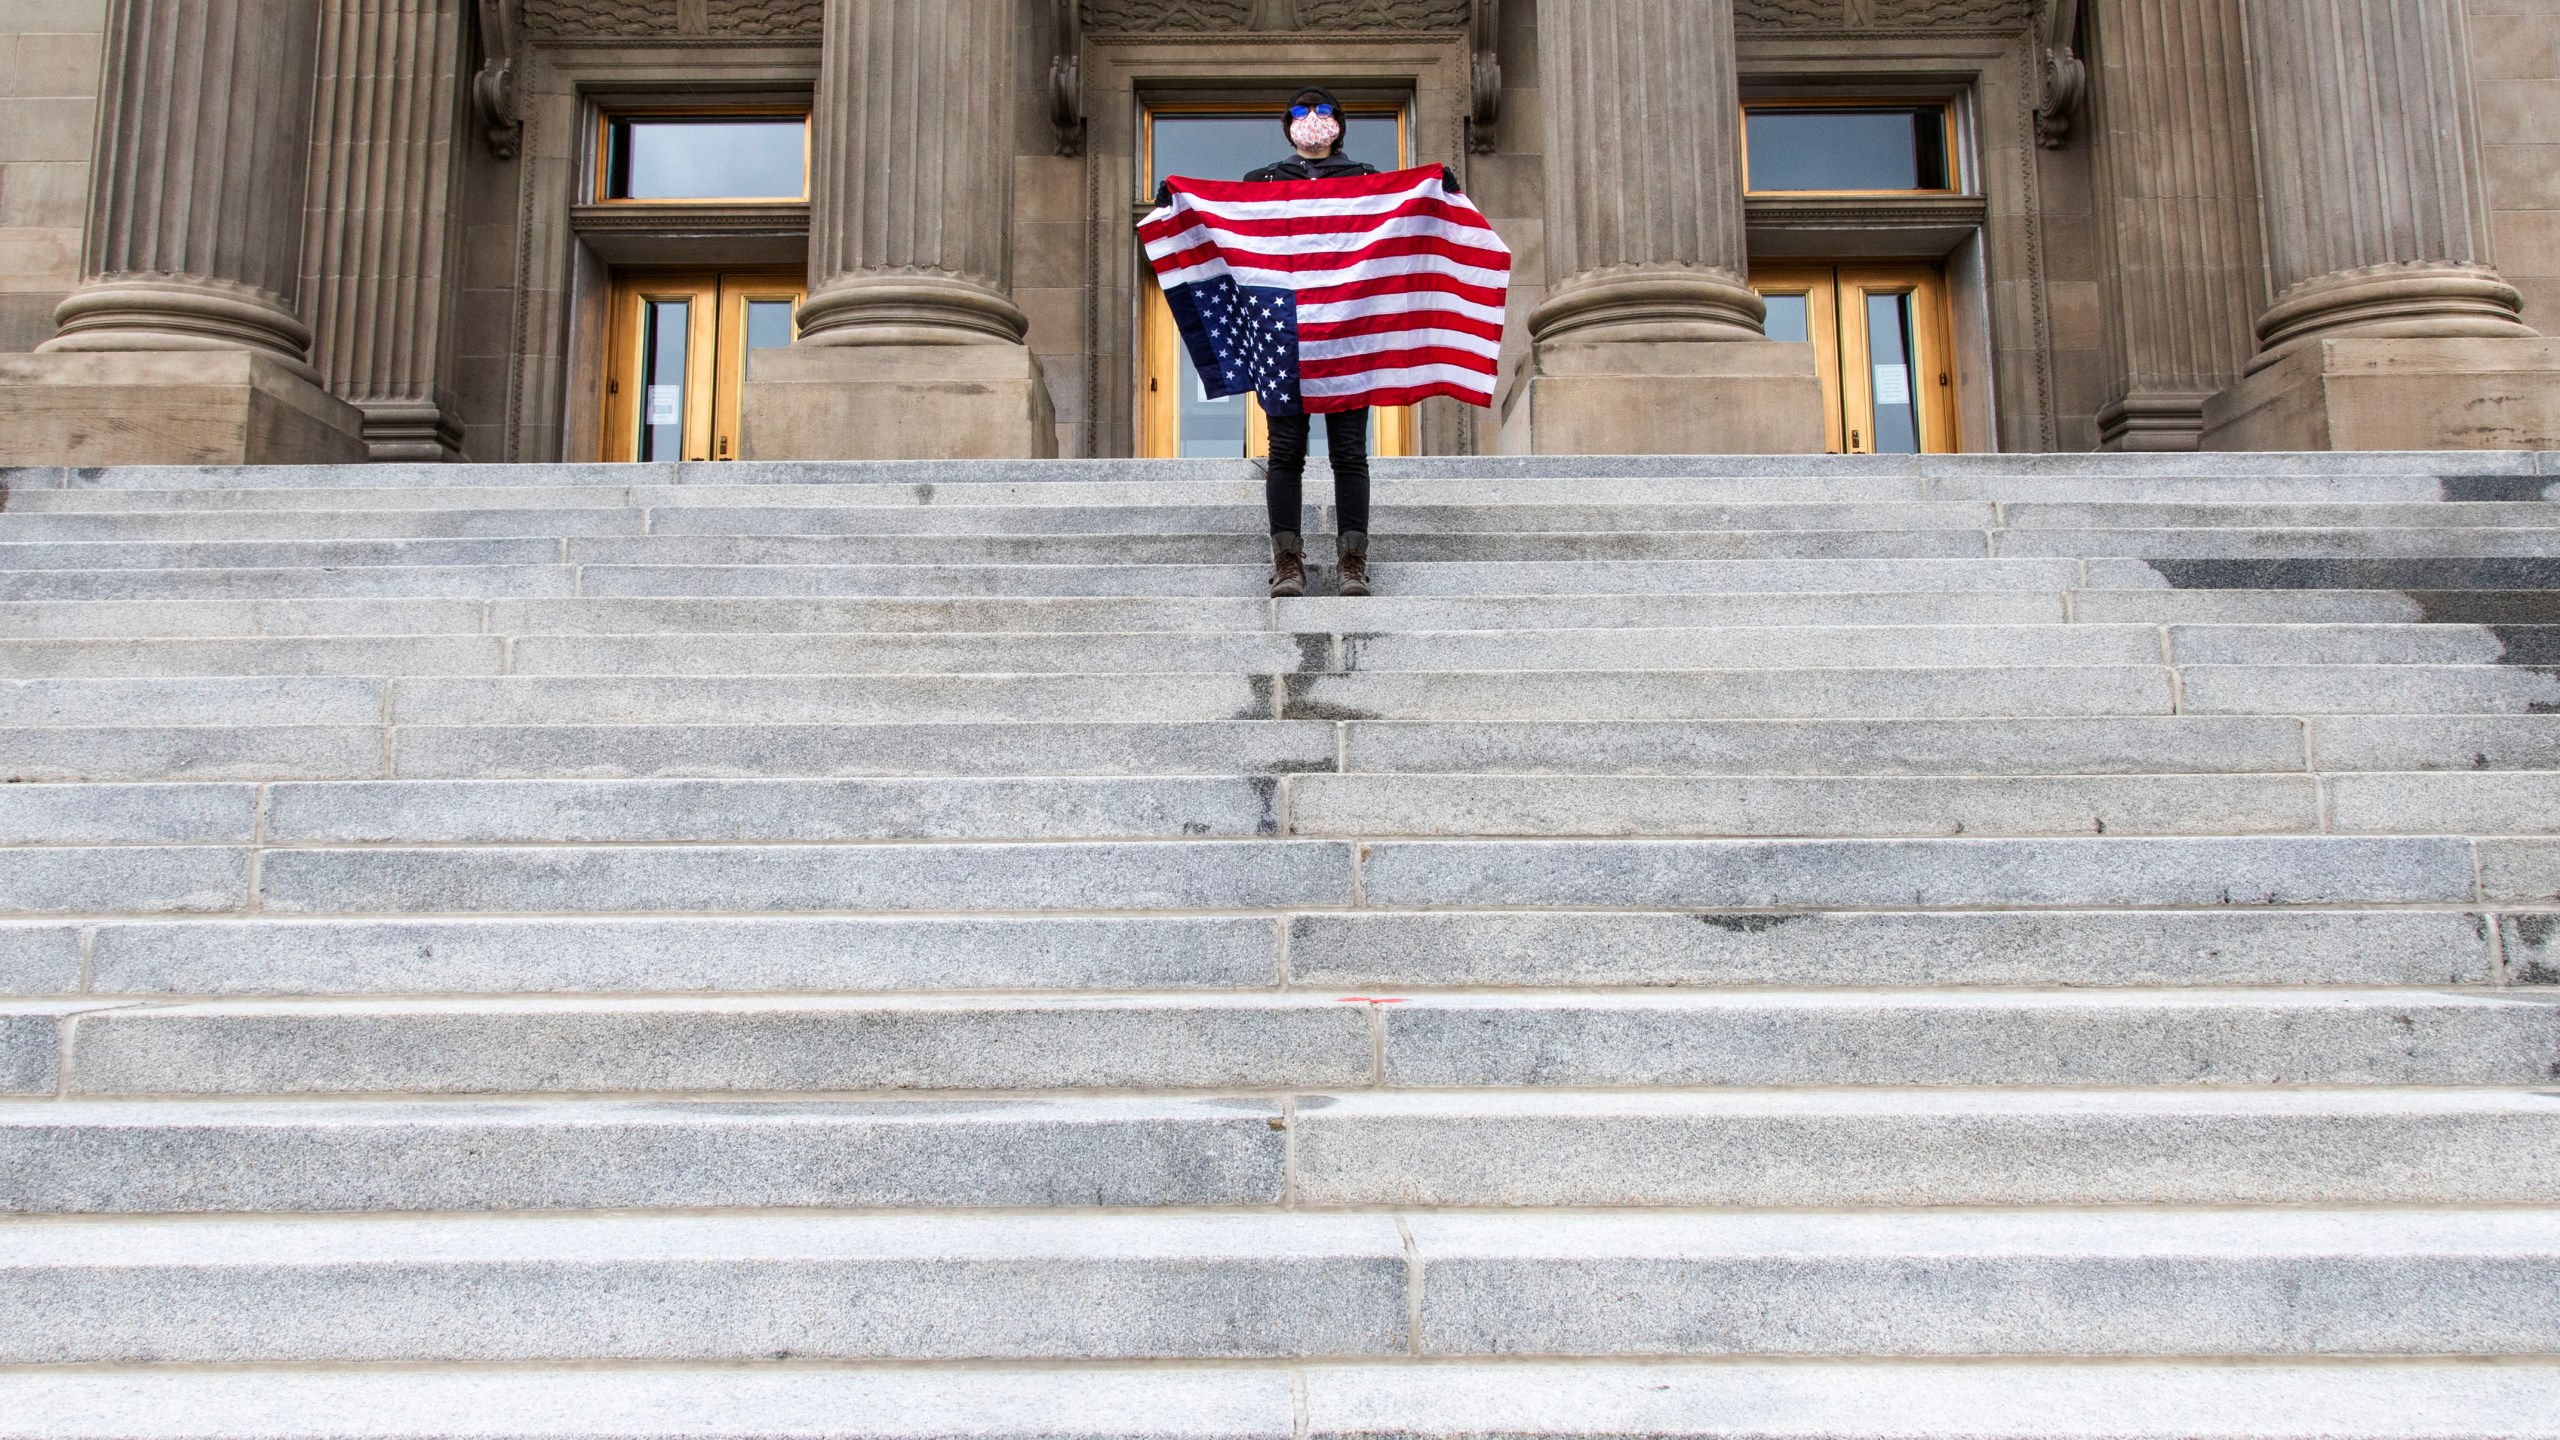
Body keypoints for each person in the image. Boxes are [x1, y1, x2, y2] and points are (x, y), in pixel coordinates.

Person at [1246, 86, 1378, 599]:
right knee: (1285, 453)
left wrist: (1442, 191)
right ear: (1288, 125)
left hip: (1346, 329)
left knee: (1349, 453)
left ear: (1340, 124)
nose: (1313, 119)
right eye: (1301, 111)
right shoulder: (1261, 182)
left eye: (1323, 110)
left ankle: (1352, 562)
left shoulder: (1368, 179)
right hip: (1284, 331)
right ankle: (1288, 562)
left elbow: (1406, 219)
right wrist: (1179, 203)